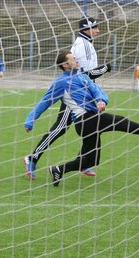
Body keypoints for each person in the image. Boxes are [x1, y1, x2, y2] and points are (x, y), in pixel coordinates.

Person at [25, 51, 139, 187]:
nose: (76, 59)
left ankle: (59, 170)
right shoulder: (60, 82)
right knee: (120, 122)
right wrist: (30, 121)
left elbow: (96, 90)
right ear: (65, 65)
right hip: (84, 120)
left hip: (90, 121)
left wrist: (101, 100)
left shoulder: (82, 77)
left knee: (91, 160)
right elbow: (44, 102)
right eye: (73, 59)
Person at [23, 16, 111, 180]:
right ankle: (32, 158)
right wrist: (105, 68)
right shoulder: (82, 45)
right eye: (95, 27)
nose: (98, 30)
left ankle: (83, 162)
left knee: (92, 127)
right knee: (61, 127)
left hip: (83, 94)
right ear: (87, 29)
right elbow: (86, 74)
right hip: (74, 95)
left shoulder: (86, 44)